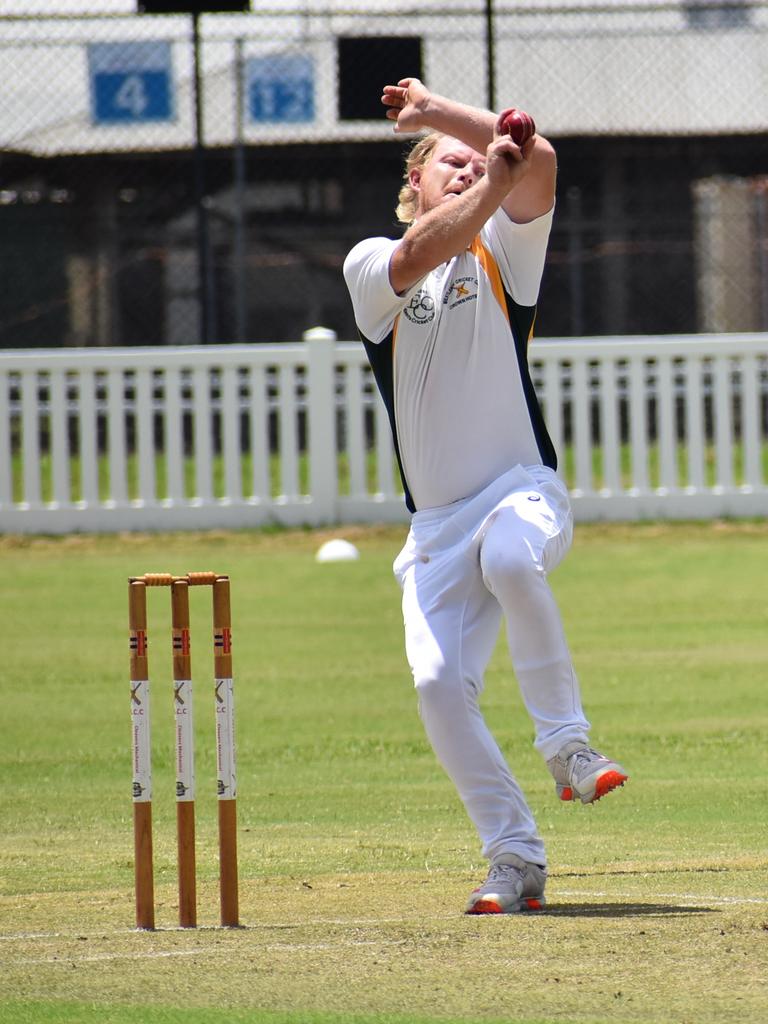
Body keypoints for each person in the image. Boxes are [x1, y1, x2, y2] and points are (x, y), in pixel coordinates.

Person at [342, 78, 628, 915]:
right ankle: (513, 856)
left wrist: (436, 114)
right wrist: (491, 169)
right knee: (436, 687)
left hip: (521, 491)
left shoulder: (506, 254)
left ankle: (569, 746)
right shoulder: (372, 267)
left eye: (477, 162)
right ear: (414, 189)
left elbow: (538, 158)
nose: (469, 171)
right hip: (434, 533)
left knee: (510, 553)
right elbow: (425, 249)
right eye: (448, 165)